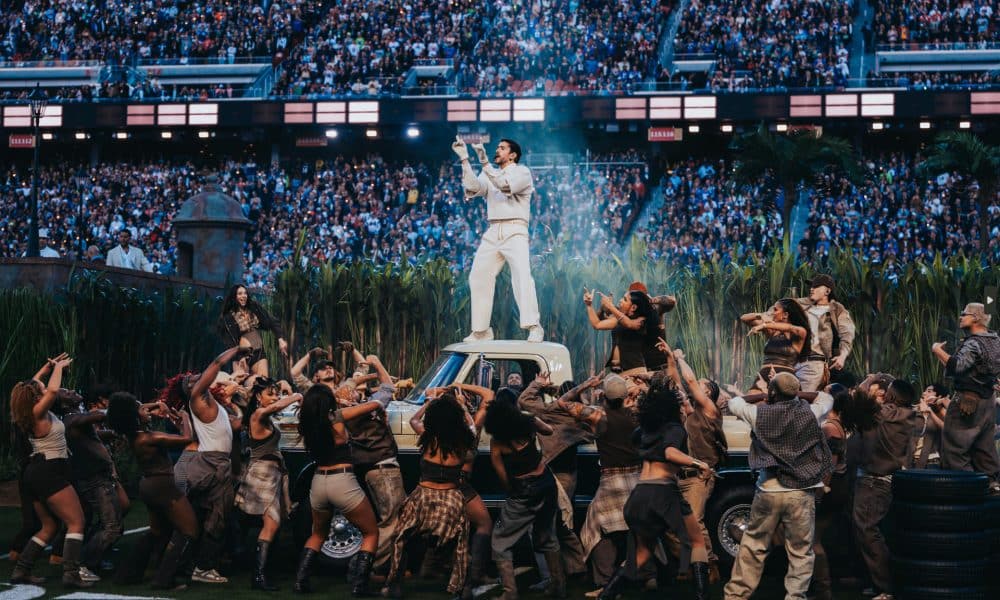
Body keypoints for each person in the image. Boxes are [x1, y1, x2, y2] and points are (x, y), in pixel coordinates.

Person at [598, 385, 713, 600]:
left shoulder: (643, 431)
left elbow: (640, 444)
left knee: (641, 554)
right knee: (697, 541)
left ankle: (606, 595)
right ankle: (702, 596)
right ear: (671, 408)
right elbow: (670, 453)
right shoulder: (675, 429)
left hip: (639, 495)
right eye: (680, 404)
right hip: (663, 493)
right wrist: (700, 464)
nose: (683, 407)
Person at [723, 373, 832, 600]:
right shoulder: (810, 413)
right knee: (800, 551)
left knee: (753, 546)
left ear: (773, 392)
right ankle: (795, 596)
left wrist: (764, 395)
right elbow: (825, 397)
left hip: (769, 488)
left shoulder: (758, 414)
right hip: (801, 490)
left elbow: (734, 402)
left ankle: (736, 596)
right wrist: (795, 391)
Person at [165, 345, 248, 584]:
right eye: (191, 381)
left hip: (219, 464)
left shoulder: (215, 406)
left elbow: (235, 426)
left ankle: (201, 567)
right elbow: (216, 364)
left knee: (217, 518)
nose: (196, 379)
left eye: (196, 378)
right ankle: (174, 568)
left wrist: (238, 405)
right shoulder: (197, 398)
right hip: (207, 462)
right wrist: (238, 349)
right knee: (188, 516)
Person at [9, 353, 94, 588]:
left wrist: (45, 370)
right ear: (38, 396)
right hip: (50, 471)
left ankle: (21, 570)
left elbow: (34, 386)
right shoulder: (38, 412)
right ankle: (71, 574)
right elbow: (54, 390)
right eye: (41, 388)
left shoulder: (27, 410)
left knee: (49, 526)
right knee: (76, 521)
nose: (45, 388)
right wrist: (59, 367)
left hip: (35, 472)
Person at [294, 384, 386, 595]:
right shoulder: (336, 416)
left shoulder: (307, 424)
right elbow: (372, 404)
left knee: (318, 534)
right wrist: (380, 405)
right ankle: (360, 586)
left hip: (318, 482)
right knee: (371, 532)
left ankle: (300, 581)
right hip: (342, 480)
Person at [383, 391, 477, 598]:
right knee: (459, 544)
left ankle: (395, 583)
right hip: (452, 498)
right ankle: (462, 586)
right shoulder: (464, 441)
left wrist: (431, 403)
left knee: (400, 538)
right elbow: (472, 426)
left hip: (423, 497)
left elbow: (414, 420)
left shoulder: (428, 438)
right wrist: (462, 407)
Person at [454, 135, 543, 343]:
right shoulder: (489, 172)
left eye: (502, 148)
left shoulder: (522, 172)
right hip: (493, 230)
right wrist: (464, 159)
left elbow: (504, 186)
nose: (497, 150)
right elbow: (473, 188)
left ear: (512, 155)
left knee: (521, 275)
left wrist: (485, 162)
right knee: (478, 275)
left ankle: (534, 326)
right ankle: (481, 331)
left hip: (515, 229)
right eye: (497, 147)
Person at [106, 393, 199, 590]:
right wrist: (184, 417)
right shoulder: (149, 438)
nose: (147, 411)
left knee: (157, 531)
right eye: (142, 410)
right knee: (189, 530)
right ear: (134, 416)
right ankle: (164, 579)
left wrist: (158, 404)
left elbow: (137, 408)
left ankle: (128, 574)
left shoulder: (134, 435)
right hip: (162, 486)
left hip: (148, 485)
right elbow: (187, 438)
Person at [484, 395, 563, 599]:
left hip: (523, 492)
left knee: (500, 539)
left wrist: (512, 492)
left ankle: (510, 592)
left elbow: (501, 474)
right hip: (547, 485)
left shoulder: (497, 442)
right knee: (547, 536)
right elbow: (549, 430)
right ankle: (558, 586)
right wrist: (530, 418)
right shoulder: (528, 422)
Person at [664, 343, 727, 584]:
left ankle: (710, 566)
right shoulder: (690, 412)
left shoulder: (711, 411)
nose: (696, 384)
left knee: (694, 523)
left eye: (702, 384)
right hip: (679, 475)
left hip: (699, 477)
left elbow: (689, 381)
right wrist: (670, 359)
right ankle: (690, 565)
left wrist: (680, 357)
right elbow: (677, 384)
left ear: (708, 392)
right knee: (670, 524)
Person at [575, 374, 642, 597]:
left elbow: (567, 406)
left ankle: (605, 580)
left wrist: (585, 386)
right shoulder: (635, 416)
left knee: (595, 528)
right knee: (637, 529)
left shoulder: (599, 417)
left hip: (612, 480)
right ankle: (647, 575)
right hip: (636, 478)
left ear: (605, 395)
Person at [851, 379, 917, 600]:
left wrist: (871, 379)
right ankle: (879, 582)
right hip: (888, 480)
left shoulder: (881, 413)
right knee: (877, 532)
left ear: (892, 396)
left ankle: (885, 587)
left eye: (886, 391)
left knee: (867, 532)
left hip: (872, 481)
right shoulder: (908, 415)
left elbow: (858, 396)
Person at [235, 377, 302, 591]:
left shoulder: (266, 418)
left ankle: (262, 571)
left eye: (276, 394)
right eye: (270, 394)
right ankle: (258, 576)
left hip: (273, 474)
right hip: (260, 475)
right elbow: (275, 407)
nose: (274, 398)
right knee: (271, 523)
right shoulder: (257, 415)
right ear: (258, 396)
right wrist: (296, 395)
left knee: (273, 523)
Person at [743, 275, 855, 391]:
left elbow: (847, 333)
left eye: (816, 286)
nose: (812, 289)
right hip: (790, 361)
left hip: (813, 362)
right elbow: (772, 313)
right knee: (778, 395)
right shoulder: (798, 303)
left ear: (827, 291)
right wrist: (762, 320)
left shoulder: (837, 310)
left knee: (800, 396)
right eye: (811, 286)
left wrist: (842, 356)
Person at [931, 302, 1000, 492]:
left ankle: (969, 488)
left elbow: (958, 366)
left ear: (976, 318)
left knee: (955, 448)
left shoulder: (973, 343)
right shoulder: (996, 340)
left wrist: (937, 350)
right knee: (984, 447)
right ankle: (991, 484)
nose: (961, 317)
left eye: (964, 314)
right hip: (988, 401)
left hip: (968, 400)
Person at [56, 389, 123, 583]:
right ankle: (83, 564)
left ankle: (91, 559)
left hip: (98, 476)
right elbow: (96, 416)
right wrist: (125, 409)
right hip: (95, 479)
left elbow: (93, 434)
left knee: (111, 521)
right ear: (64, 404)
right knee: (112, 527)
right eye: (66, 393)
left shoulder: (74, 419)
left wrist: (111, 434)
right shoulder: (71, 419)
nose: (72, 391)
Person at [811, 383, 850, 600]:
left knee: (814, 540)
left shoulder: (830, 428)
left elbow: (829, 465)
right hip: (834, 486)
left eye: (824, 393)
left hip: (830, 488)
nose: (819, 396)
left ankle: (823, 591)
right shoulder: (833, 425)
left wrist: (820, 491)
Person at [217, 285, 289, 376]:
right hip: (241, 355)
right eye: (240, 293)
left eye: (245, 293)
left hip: (258, 352)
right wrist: (240, 357)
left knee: (263, 381)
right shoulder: (228, 317)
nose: (243, 296)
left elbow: (271, 320)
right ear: (234, 296)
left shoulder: (253, 307)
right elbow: (229, 341)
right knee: (241, 383)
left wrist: (280, 339)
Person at [585, 289, 660, 375]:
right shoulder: (619, 319)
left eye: (624, 299)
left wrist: (610, 306)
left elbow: (628, 324)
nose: (620, 300)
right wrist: (590, 305)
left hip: (634, 372)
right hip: (619, 373)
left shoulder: (641, 320)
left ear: (633, 307)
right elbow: (597, 324)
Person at [743, 298, 812, 388]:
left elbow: (790, 328)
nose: (772, 313)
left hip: (785, 377)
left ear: (785, 315)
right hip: (765, 373)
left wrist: (764, 325)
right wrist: (760, 315)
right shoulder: (772, 331)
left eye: (775, 310)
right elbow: (744, 318)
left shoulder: (800, 331)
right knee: (750, 396)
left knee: (781, 395)